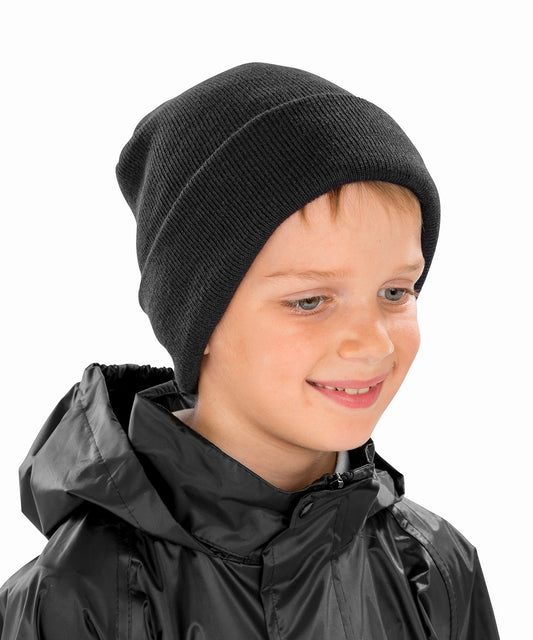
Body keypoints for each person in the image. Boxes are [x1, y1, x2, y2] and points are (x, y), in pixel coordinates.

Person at [0, 62, 500, 638]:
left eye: (395, 292)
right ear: (200, 317)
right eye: (310, 301)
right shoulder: (83, 594)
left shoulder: (436, 568)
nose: (373, 341)